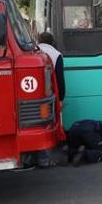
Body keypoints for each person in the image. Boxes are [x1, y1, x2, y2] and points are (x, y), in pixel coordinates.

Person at [33, 32, 65, 168]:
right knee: (47, 125)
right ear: (52, 42)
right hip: (49, 95)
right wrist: (61, 98)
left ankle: (31, 158)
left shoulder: (32, 51)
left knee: (34, 125)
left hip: (32, 95)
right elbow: (59, 79)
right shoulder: (56, 54)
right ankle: (44, 159)